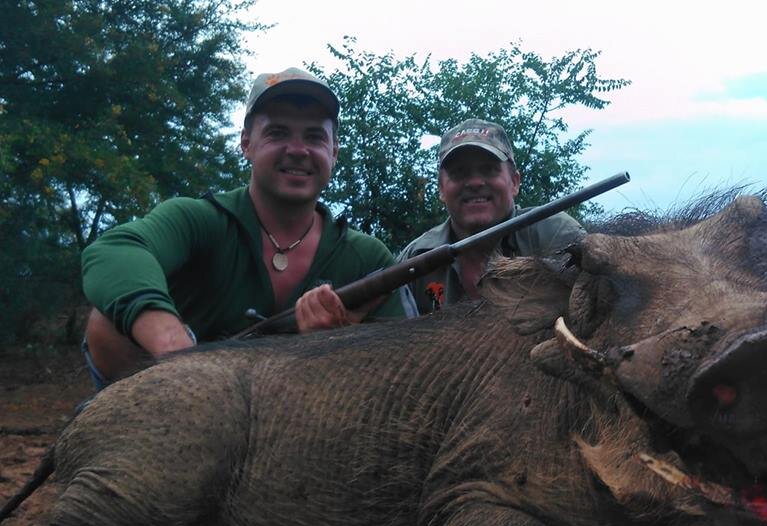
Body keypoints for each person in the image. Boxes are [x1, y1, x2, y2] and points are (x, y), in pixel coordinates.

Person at [81, 67, 405, 387]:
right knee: (106, 322)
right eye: (277, 133)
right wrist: (176, 351)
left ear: (334, 151)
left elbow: (402, 368)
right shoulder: (198, 220)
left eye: (314, 136)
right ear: (246, 143)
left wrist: (336, 350)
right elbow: (115, 249)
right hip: (178, 408)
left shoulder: (370, 258)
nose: (297, 150)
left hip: (314, 420)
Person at [396, 118, 585, 315]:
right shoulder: (414, 260)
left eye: (489, 170)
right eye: (459, 173)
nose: (475, 182)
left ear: (514, 182)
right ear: (442, 189)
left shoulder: (557, 236)